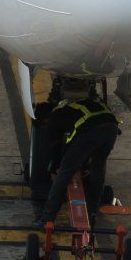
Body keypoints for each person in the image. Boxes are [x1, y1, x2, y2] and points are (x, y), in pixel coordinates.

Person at [34, 88, 119, 226]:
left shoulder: (54, 117)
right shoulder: (71, 107)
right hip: (111, 129)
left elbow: (55, 148)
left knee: (64, 173)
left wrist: (56, 166)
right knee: (98, 168)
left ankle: (47, 219)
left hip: (91, 130)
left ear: (45, 119)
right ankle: (91, 213)